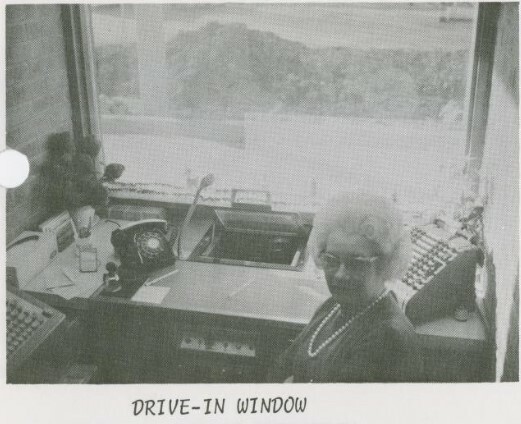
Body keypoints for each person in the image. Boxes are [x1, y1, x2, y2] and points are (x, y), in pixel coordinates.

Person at [269, 192, 424, 383]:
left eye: (356, 263)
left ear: (384, 264)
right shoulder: (332, 306)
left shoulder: (389, 338)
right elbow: (282, 369)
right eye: (331, 260)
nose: (340, 274)